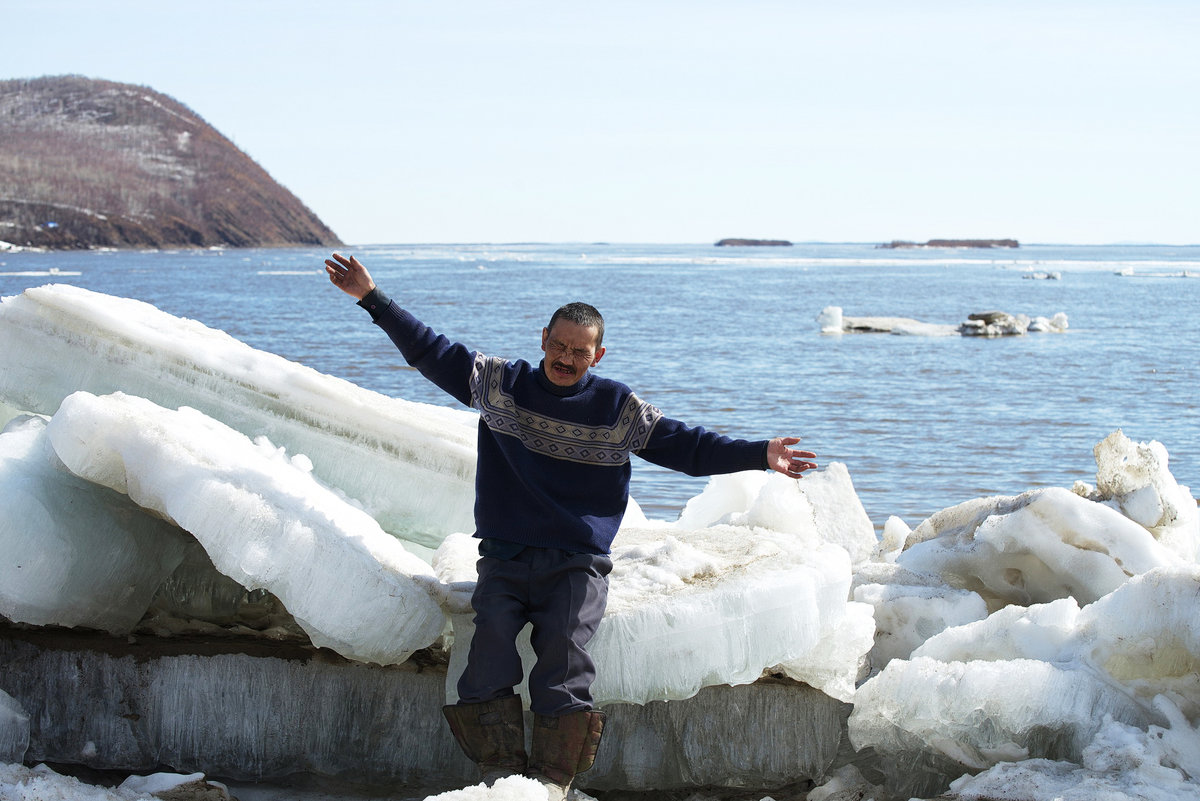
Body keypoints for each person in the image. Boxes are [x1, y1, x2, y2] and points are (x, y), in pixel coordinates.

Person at [324, 252, 817, 799]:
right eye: (558, 345)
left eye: (579, 351)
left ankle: (552, 784)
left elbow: (688, 447)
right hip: (506, 557)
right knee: (486, 659)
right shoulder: (499, 384)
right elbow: (429, 349)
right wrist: (373, 299)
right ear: (542, 339)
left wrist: (758, 453)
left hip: (577, 563)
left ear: (597, 355)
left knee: (563, 663)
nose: (565, 358)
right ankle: (503, 781)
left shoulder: (617, 408)